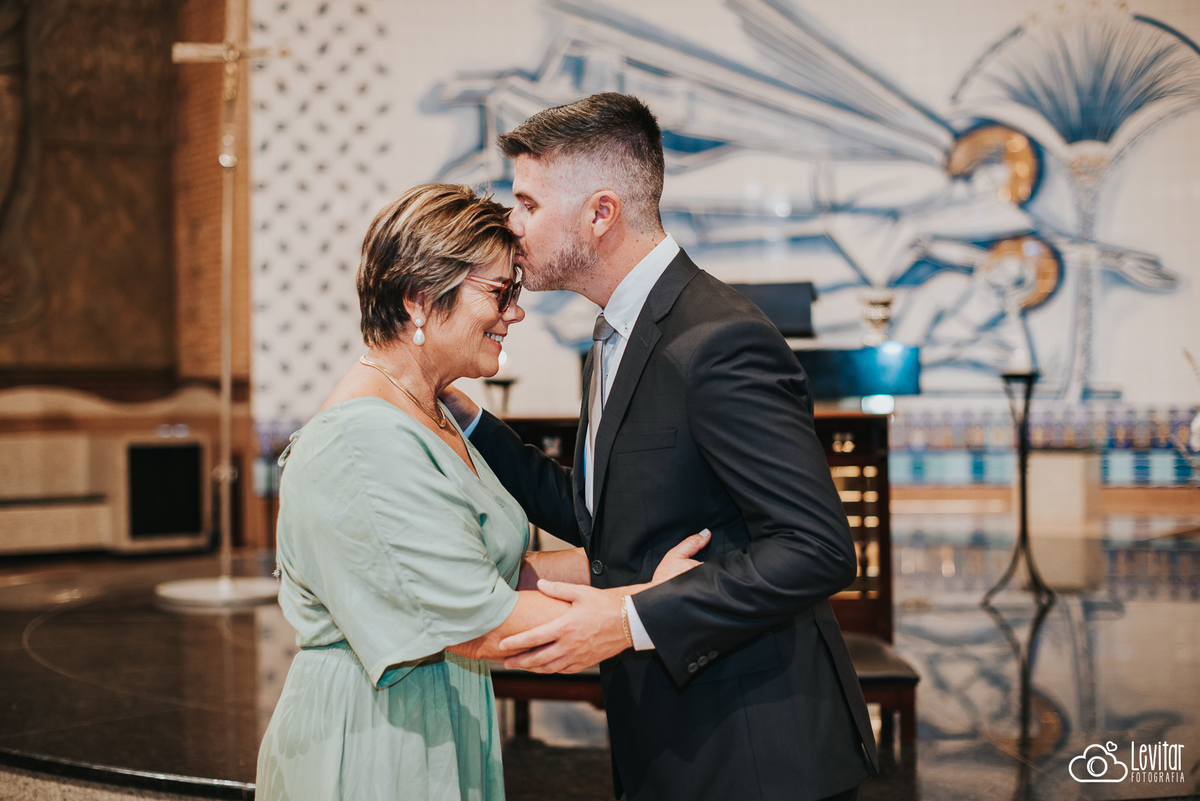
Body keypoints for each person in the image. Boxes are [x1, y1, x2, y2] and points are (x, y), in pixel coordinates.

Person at [443, 94, 879, 801]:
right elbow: (603, 516)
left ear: (600, 214)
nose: (511, 223)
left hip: (756, 751)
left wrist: (630, 619)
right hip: (672, 736)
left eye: (527, 203)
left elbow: (816, 548)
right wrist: (469, 420)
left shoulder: (718, 340)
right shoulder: (616, 332)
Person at [255, 182, 707, 801]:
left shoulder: (432, 412)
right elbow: (482, 622)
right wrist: (651, 606)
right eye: (500, 292)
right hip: (374, 744)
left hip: (435, 720)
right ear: (419, 299)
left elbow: (493, 570)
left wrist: (646, 565)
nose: (514, 313)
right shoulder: (360, 441)